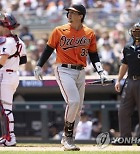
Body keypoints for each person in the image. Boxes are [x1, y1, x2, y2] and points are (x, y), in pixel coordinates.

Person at [34, 4, 107, 151]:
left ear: (81, 15)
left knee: (78, 108)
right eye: (69, 12)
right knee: (73, 102)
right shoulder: (59, 30)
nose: (69, 14)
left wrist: (100, 71)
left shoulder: (89, 33)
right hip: (63, 69)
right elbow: (49, 49)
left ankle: (69, 139)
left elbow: (93, 54)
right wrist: (39, 65)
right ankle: (67, 138)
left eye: (73, 12)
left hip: (81, 71)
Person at [0, 12, 27, 146]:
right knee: (4, 108)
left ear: (4, 25)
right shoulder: (19, 41)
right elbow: (23, 60)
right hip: (13, 75)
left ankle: (11, 138)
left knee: (6, 109)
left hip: (5, 75)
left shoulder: (7, 41)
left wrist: (8, 64)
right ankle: (6, 137)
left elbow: (2, 61)